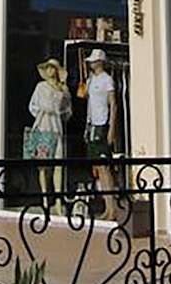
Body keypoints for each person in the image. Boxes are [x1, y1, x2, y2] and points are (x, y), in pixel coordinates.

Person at [26, 58, 71, 202]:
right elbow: (33, 105)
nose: (50, 71)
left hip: (56, 126)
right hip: (43, 125)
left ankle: (58, 198)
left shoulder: (63, 89)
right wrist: (42, 113)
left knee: (58, 162)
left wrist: (58, 112)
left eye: (53, 68)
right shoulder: (40, 87)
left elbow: (67, 110)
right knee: (43, 165)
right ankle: (45, 197)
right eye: (48, 68)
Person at [81, 49, 118, 198]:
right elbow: (87, 100)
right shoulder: (91, 80)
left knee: (104, 166)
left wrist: (111, 129)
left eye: (94, 61)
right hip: (92, 124)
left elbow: (113, 104)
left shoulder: (107, 79)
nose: (92, 63)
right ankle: (106, 202)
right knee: (97, 165)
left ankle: (111, 203)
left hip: (103, 123)